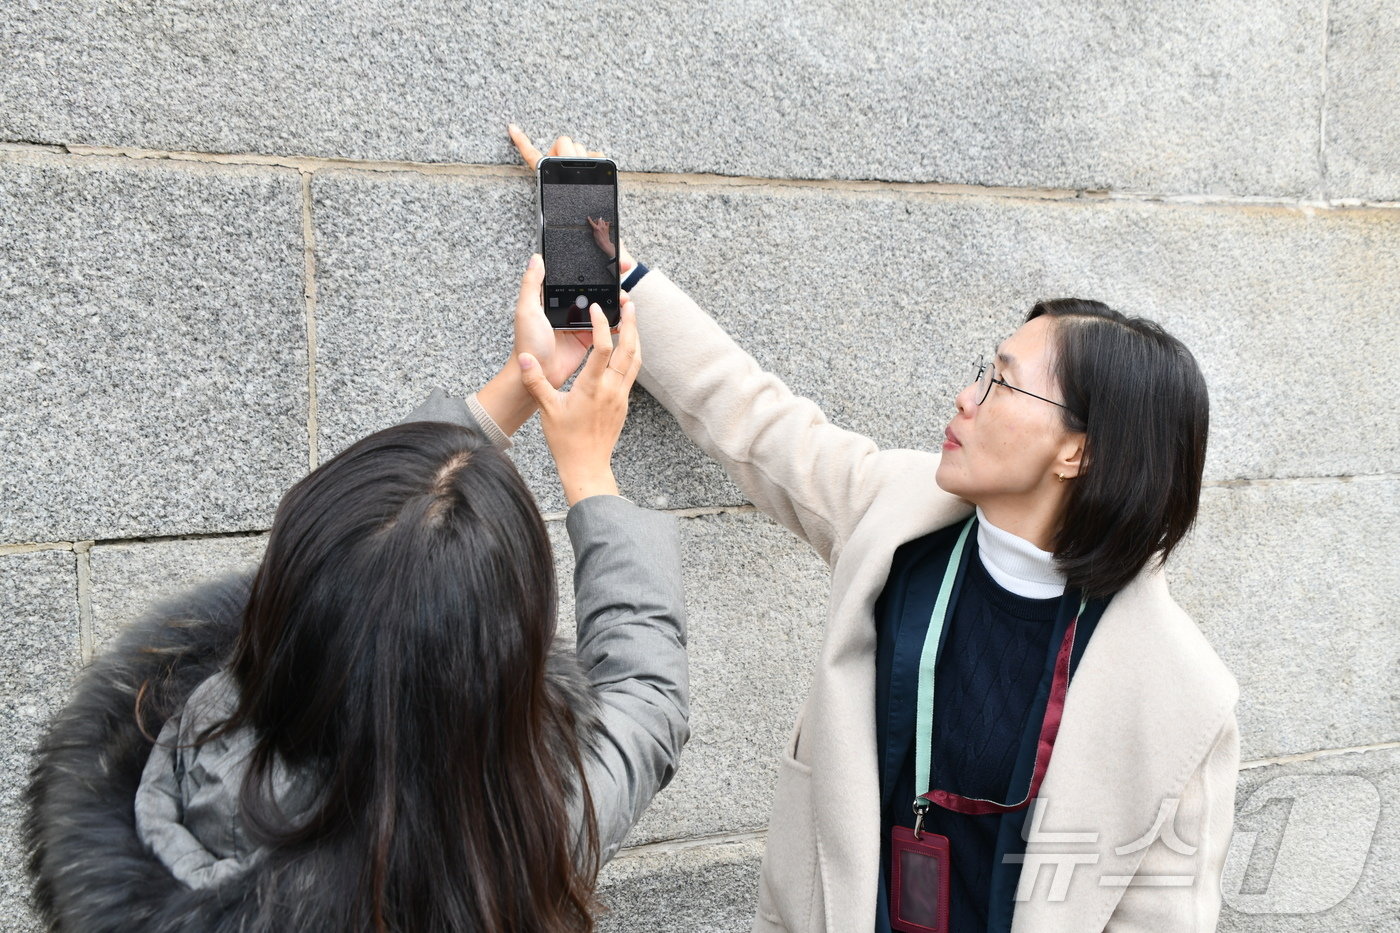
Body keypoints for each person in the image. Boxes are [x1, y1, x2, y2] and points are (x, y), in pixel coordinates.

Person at [509, 127, 1241, 933]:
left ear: (1078, 452)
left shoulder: (1181, 693)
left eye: (1002, 384)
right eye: (982, 370)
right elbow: (758, 421)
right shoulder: (901, 511)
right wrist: (617, 276)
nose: (966, 398)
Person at [24, 257, 687, 933]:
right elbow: (647, 697)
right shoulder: (523, 833)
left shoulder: (179, 746)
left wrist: (517, 386)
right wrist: (589, 469)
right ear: (500, 658)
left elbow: (360, 563)